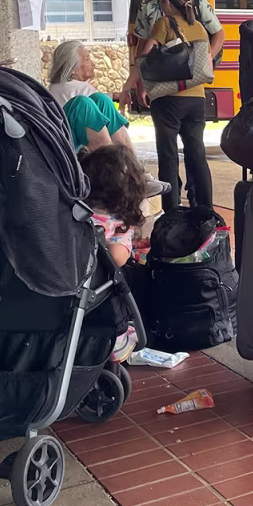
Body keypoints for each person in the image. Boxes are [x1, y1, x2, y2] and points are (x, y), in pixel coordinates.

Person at [79, 143, 168, 361]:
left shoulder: (78, 211)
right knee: (123, 276)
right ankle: (117, 336)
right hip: (95, 287)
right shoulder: (113, 223)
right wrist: (125, 245)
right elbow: (115, 259)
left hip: (66, 277)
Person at [139, 0, 214, 212]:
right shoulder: (200, 26)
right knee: (197, 154)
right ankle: (205, 208)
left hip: (169, 97)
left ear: (168, 3)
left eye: (162, 0)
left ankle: (171, 210)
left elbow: (145, 53)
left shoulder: (164, 22)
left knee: (168, 155)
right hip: (196, 99)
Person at [120, 0, 224, 105]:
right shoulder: (147, 5)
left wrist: (204, 63)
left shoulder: (197, 2)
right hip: (161, 80)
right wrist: (141, 82)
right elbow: (142, 45)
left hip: (190, 83)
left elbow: (219, 34)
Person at [48, 40, 133, 152]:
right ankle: (125, 162)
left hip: (58, 142)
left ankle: (126, 162)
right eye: (87, 59)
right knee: (100, 102)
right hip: (70, 147)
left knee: (102, 100)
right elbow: (93, 100)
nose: (93, 64)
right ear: (72, 68)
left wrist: (114, 96)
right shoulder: (82, 93)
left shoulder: (53, 87)